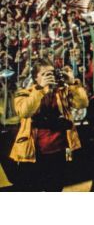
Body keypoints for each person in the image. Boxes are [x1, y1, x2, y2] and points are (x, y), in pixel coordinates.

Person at [10, 59, 88, 191]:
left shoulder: (62, 91)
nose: (50, 77)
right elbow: (25, 111)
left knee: (55, 189)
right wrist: (40, 89)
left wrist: (72, 83)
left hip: (57, 152)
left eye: (52, 73)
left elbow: (82, 104)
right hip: (33, 153)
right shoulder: (25, 93)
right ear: (36, 77)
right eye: (45, 74)